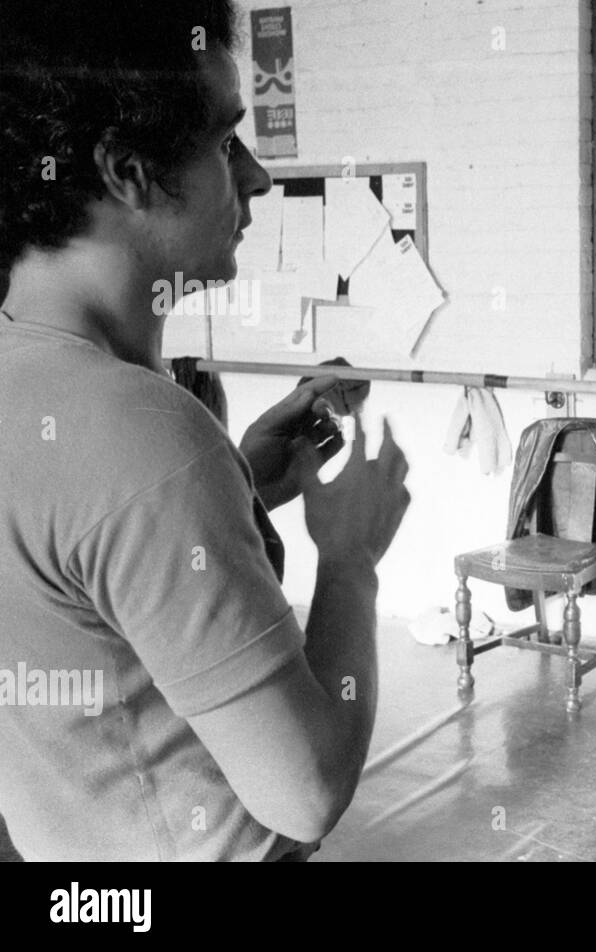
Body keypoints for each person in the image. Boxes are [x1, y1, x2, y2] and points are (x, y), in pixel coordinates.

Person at [0, 0, 411, 860]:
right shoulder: (141, 433)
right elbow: (304, 790)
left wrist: (235, 482)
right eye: (227, 143)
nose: (258, 178)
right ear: (128, 171)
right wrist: (352, 558)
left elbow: (84, 588)